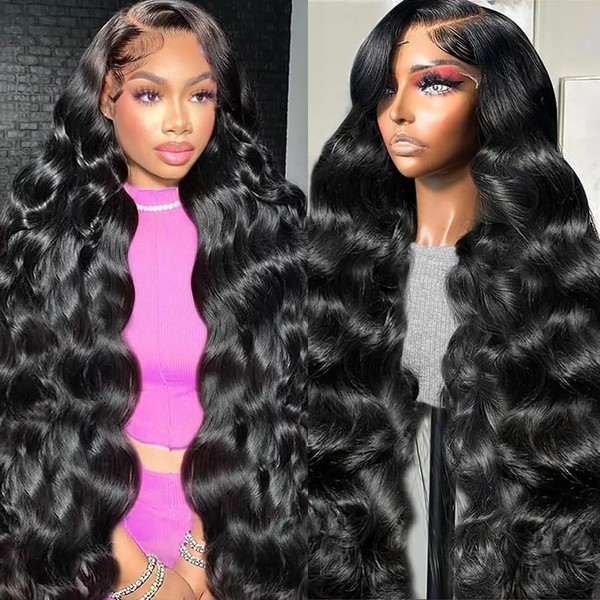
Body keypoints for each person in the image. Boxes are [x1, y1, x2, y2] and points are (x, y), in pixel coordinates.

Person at [0, 1, 307, 599]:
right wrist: (141, 577)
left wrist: (199, 557)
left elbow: (262, 407)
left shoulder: (255, 238)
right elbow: (38, 429)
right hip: (93, 533)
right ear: (105, 99)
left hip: (231, 524)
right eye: (148, 94)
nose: (179, 122)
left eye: (200, 95)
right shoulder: (57, 242)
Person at [308, 0, 600, 598]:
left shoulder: (559, 286)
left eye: (434, 83)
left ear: (500, 101)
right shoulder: (338, 281)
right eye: (385, 89)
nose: (398, 111)